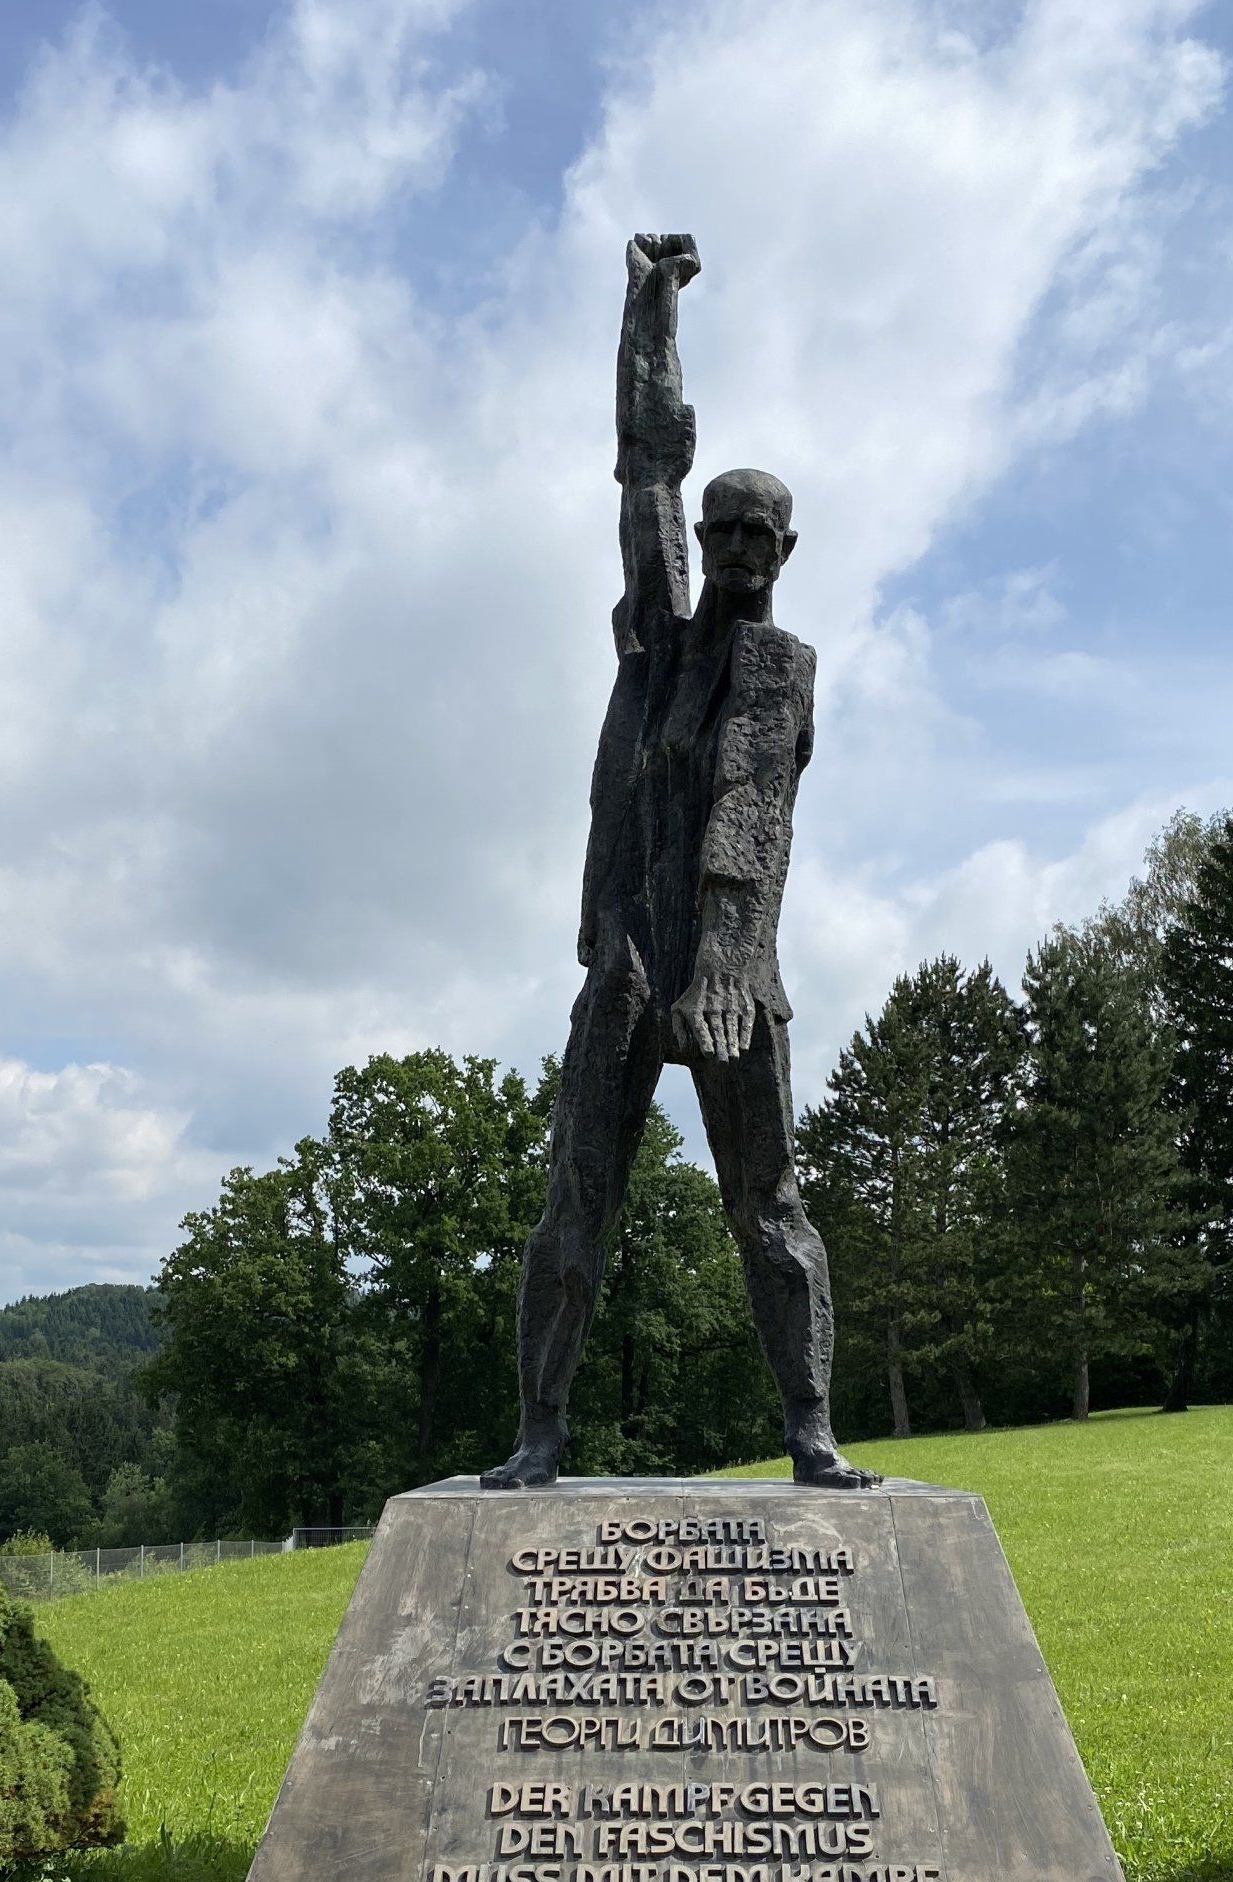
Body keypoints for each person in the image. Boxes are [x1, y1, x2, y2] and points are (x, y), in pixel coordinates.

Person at [482, 233, 877, 1492]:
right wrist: (650, 313)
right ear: (707, 539)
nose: (744, 546)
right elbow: (646, 468)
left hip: (730, 969)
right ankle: (539, 1432)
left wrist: (720, 963)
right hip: (629, 962)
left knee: (767, 1202)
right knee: (575, 1195)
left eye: (765, 533)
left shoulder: (779, 668)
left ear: (788, 550)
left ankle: (809, 1429)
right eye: (728, 529)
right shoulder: (654, 641)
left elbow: (752, 813)